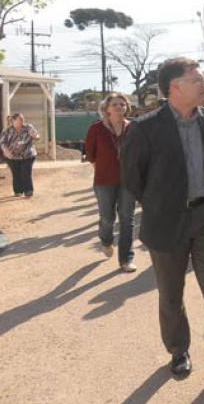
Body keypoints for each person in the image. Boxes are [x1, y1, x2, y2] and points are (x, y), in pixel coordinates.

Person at [121, 57, 204, 385]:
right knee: (171, 293)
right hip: (167, 222)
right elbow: (132, 179)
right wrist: (161, 204)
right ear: (175, 88)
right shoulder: (144, 128)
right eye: (197, 80)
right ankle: (178, 349)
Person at [84, 93, 137, 272]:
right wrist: (103, 169)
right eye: (115, 104)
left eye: (122, 104)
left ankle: (126, 259)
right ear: (107, 109)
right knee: (107, 218)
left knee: (127, 219)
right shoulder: (96, 129)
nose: (119, 107)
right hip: (104, 181)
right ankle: (106, 240)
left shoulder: (133, 128)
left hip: (128, 182)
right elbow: (90, 154)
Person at [0, 113, 39, 198]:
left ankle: (28, 190)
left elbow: (37, 136)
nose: (22, 121)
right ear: (13, 121)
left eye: (22, 119)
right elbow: (3, 143)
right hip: (12, 156)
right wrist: (7, 153)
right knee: (16, 173)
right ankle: (18, 191)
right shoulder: (7, 130)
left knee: (26, 172)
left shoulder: (28, 127)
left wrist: (35, 136)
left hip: (28, 155)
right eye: (19, 119)